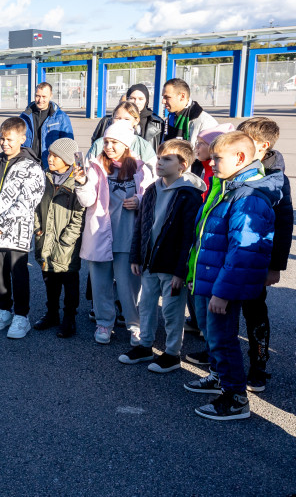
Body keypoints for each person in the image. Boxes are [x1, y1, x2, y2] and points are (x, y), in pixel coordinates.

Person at [183, 131, 278, 420]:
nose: (211, 163)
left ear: (240, 158)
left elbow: (242, 252)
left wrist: (222, 293)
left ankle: (235, 398)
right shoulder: (230, 186)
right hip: (214, 277)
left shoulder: (248, 197)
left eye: (217, 158)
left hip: (223, 284)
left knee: (223, 338)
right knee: (216, 337)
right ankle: (219, 377)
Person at [121, 140, 205, 372]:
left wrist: (181, 271)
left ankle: (172, 353)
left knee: (171, 311)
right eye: (159, 158)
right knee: (146, 306)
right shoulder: (151, 189)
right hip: (149, 261)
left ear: (183, 165)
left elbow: (189, 237)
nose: (159, 162)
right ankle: (145, 346)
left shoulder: (189, 195)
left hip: (171, 266)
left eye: (167, 159)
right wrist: (136, 256)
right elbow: (141, 226)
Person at [75, 121, 154, 344]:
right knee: (100, 284)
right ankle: (104, 323)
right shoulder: (95, 166)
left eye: (114, 142)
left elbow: (151, 196)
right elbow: (87, 200)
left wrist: (139, 200)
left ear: (126, 144)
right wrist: (82, 182)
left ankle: (135, 325)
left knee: (129, 287)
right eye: (106, 142)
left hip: (127, 237)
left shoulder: (141, 168)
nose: (108, 146)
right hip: (99, 235)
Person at [0, 117, 45, 339]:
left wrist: (1, 224)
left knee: (18, 274)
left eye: (10, 139)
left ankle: (21, 316)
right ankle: (4, 310)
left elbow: (28, 201)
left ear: (23, 139)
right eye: (2, 138)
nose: (4, 143)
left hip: (16, 233)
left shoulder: (32, 168)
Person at [237, 118, 293, 392]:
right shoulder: (235, 166)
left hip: (258, 259)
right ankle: (218, 358)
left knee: (254, 311)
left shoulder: (276, 179)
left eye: (244, 139)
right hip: (231, 257)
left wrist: (275, 266)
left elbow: (284, 224)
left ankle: (258, 365)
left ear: (263, 145)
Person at [33, 137, 85, 338]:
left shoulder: (76, 182)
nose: (50, 159)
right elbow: (36, 206)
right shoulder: (45, 177)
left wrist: (67, 240)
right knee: (49, 279)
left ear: (68, 159)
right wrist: (38, 229)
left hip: (67, 243)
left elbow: (79, 216)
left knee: (69, 280)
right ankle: (52, 314)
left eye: (56, 156)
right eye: (50, 154)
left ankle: (69, 318)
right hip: (45, 238)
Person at [92, 84, 164, 150]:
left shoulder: (157, 123)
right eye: (132, 98)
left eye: (141, 99)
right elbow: (96, 145)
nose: (136, 102)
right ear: (127, 99)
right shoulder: (106, 121)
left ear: (146, 101)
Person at [19, 82, 74, 166]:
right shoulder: (24, 117)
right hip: (28, 163)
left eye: (44, 96)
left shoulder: (61, 117)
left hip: (50, 165)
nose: (40, 100)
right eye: (38, 96)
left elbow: (68, 143)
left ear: (51, 96)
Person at [88, 102, 157, 169]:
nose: (121, 122)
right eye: (117, 118)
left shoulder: (143, 146)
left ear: (136, 121)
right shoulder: (99, 144)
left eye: (127, 119)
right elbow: (87, 167)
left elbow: (153, 170)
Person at [161, 78, 218, 143]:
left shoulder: (206, 123)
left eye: (167, 97)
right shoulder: (169, 119)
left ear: (182, 96)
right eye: (163, 97)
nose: (163, 101)